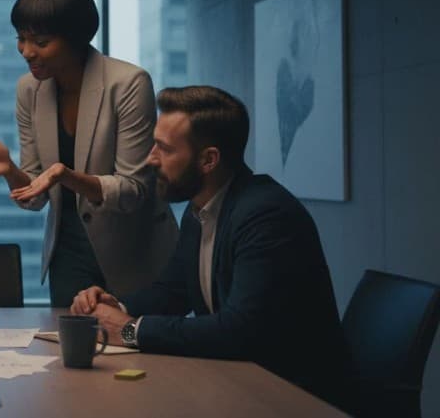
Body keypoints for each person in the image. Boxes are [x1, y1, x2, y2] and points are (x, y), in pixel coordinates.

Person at [70, 86, 350, 408]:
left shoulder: (266, 216)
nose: (150, 159)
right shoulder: (201, 208)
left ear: (208, 160)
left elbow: (239, 330)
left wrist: (131, 331)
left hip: (294, 397)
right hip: (240, 383)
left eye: (164, 148)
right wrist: (115, 307)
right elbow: (172, 291)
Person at [0, 0, 177, 306]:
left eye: (40, 41)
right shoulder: (29, 89)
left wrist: (66, 176)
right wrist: (10, 170)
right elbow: (34, 198)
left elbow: (135, 192)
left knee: (133, 354)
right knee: (67, 352)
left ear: (76, 38)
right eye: (21, 39)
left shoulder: (128, 83)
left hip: (132, 252)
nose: (27, 51)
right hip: (68, 253)